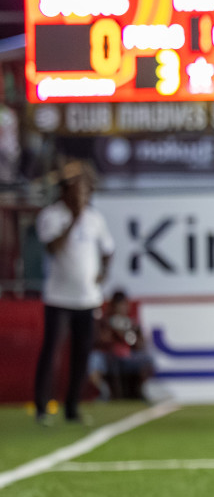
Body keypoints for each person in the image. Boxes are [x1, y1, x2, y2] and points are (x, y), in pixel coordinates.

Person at [33, 160, 115, 425]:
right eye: (78, 190)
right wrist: (74, 219)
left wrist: (103, 272)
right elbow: (52, 248)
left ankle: (72, 407)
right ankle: (43, 407)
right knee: (52, 352)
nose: (84, 196)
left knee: (82, 355)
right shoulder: (51, 216)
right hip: (58, 298)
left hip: (87, 298)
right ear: (66, 191)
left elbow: (108, 249)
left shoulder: (95, 218)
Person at [90, 290, 155, 400]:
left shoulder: (132, 322)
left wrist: (130, 334)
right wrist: (112, 332)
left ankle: (141, 389)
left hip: (127, 356)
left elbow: (137, 343)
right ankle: (104, 391)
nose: (121, 307)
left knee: (148, 359)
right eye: (118, 304)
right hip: (108, 356)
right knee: (93, 359)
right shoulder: (104, 320)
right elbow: (99, 340)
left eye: (123, 304)